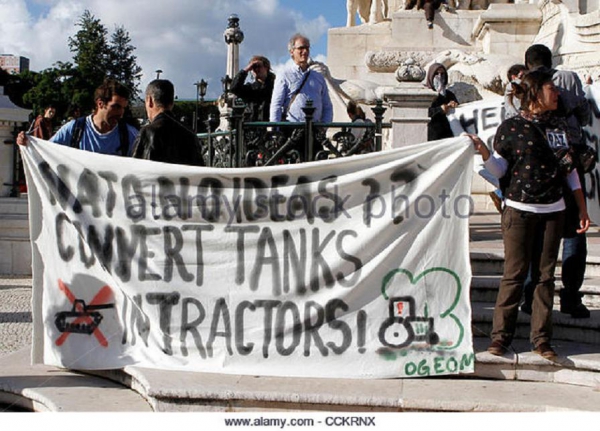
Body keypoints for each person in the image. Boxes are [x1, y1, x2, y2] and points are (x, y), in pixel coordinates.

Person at [471, 70, 590, 359]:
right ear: (536, 92)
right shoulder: (511, 128)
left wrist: (582, 207)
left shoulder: (560, 127)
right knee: (514, 275)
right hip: (519, 211)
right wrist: (485, 153)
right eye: (551, 87)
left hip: (554, 211)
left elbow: (570, 171)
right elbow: (500, 171)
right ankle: (500, 338)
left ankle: (542, 340)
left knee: (545, 277)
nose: (557, 92)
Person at [520, 44, 592, 318]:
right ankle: (571, 297)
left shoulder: (521, 85)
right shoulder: (569, 79)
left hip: (536, 169)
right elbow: (584, 116)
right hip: (569, 163)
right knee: (575, 232)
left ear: (527, 65)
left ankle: (530, 296)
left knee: (535, 234)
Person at [17, 79, 138, 156]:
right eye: (115, 107)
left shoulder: (130, 135)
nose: (120, 113)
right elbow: (46, 153)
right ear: (100, 103)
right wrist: (26, 144)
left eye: (123, 108)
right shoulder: (74, 129)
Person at [269, 33, 333, 158]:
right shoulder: (284, 74)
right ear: (292, 52)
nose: (305, 51)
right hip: (292, 131)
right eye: (301, 48)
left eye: (307, 48)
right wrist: (275, 131)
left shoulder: (318, 77)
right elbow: (276, 105)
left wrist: (323, 127)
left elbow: (327, 106)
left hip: (315, 131)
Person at [131, 79, 204, 166]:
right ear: (172, 102)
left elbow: (136, 169)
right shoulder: (190, 133)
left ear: (150, 101)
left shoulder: (148, 132)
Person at [230, 55, 276, 122]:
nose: (256, 70)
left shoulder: (276, 86)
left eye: (259, 66)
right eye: (254, 67)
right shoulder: (251, 88)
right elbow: (234, 88)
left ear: (266, 67)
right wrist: (245, 70)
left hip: (271, 124)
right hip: (253, 126)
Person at [425, 63, 459, 141]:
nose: (440, 77)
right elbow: (422, 112)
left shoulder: (449, 95)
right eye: (436, 74)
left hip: (449, 136)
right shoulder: (426, 94)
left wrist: (454, 105)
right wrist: (440, 109)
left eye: (442, 74)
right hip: (431, 137)